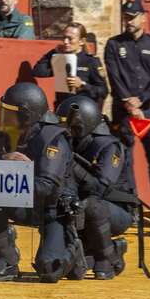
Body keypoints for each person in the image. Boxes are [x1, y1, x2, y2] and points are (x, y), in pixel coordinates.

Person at [0, 83, 83, 283]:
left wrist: (22, 172)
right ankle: (6, 260)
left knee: (49, 270)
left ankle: (74, 252)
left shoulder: (53, 139)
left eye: (10, 113)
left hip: (52, 211)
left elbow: (47, 188)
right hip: (24, 204)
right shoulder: (4, 134)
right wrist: (3, 161)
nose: (3, 117)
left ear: (27, 116)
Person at [104, 0, 150, 228]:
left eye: (133, 16)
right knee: (125, 161)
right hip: (124, 112)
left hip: (147, 111)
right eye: (126, 16)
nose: (129, 21)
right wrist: (129, 102)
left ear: (143, 17)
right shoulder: (114, 45)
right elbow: (114, 77)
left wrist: (141, 101)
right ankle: (131, 211)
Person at [55, 95, 137, 279]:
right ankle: (106, 250)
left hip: (116, 210)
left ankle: (107, 257)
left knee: (92, 205)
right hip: (80, 206)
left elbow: (100, 188)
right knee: (74, 271)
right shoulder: (70, 143)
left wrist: (73, 165)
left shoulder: (110, 146)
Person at [31, 22, 108, 109]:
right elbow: (38, 72)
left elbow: (103, 91)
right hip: (62, 108)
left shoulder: (90, 61)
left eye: (70, 39)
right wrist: (53, 52)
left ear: (81, 41)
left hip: (83, 110)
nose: (65, 42)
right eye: (64, 38)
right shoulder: (60, 58)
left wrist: (83, 85)